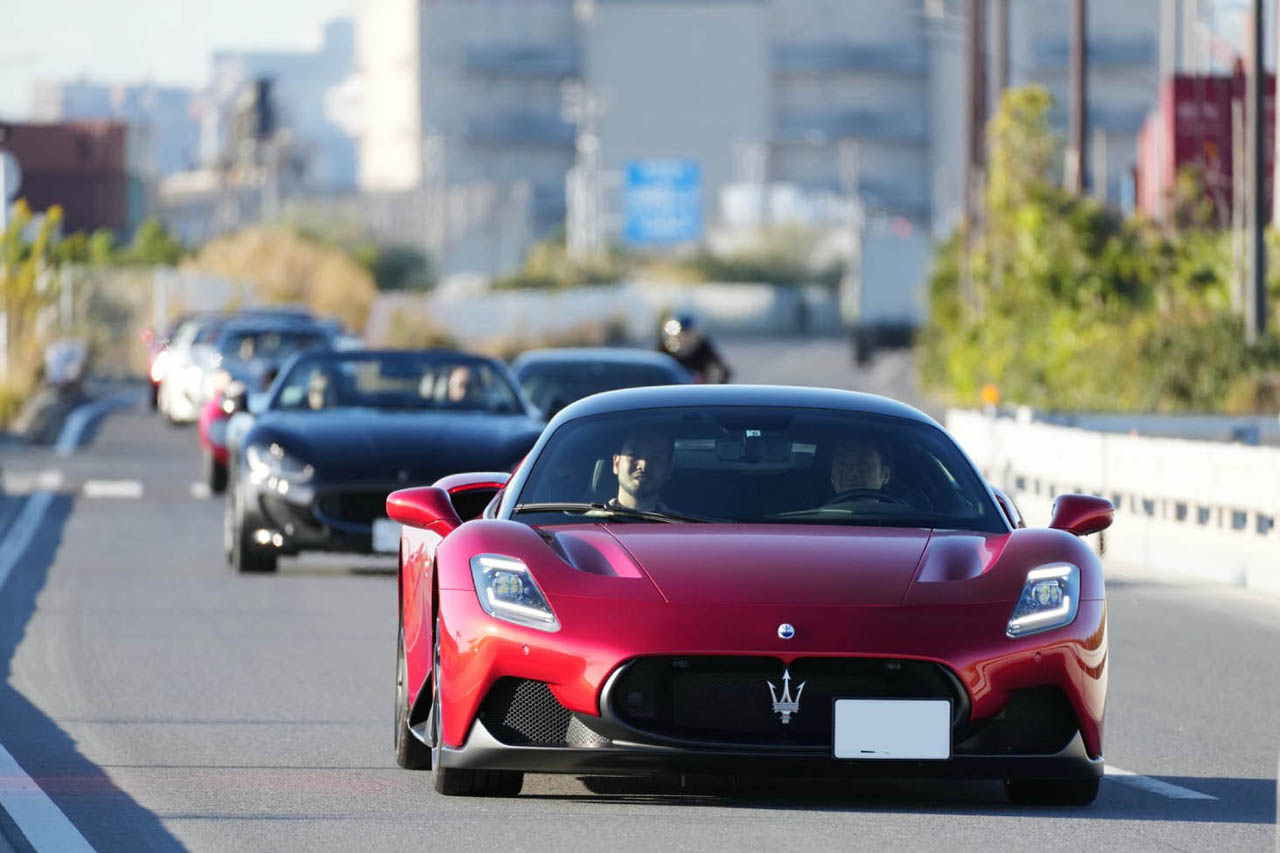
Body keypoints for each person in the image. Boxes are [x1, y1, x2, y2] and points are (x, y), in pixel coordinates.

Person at [658, 313, 732, 384]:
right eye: (682, 332)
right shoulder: (667, 347)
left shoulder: (703, 346)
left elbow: (724, 371)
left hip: (698, 389)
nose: (685, 337)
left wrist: (712, 386)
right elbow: (657, 368)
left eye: (688, 333)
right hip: (672, 389)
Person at [610, 430, 674, 511]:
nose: (643, 466)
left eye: (656, 459)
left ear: (668, 470)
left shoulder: (682, 520)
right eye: (634, 455)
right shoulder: (594, 517)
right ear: (616, 463)